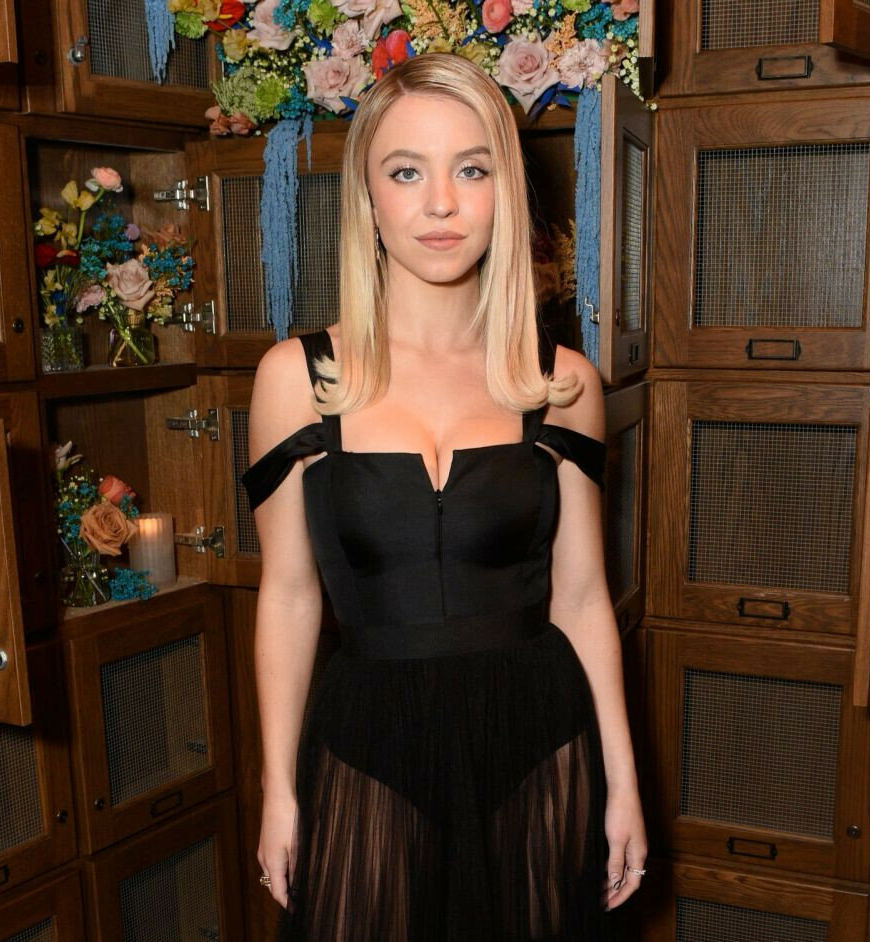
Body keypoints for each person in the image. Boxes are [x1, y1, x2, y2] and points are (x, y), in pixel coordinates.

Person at [240, 51, 646, 941]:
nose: (440, 204)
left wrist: (622, 783)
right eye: (406, 172)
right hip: (367, 743)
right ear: (367, 195)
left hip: (538, 739)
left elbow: (583, 598)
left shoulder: (561, 383)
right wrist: (279, 790)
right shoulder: (298, 380)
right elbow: (290, 595)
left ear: (507, 192)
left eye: (471, 169)